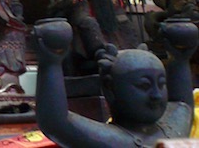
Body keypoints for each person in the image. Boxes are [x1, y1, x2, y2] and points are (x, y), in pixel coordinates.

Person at [34, 17, 197, 147]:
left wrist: (180, 60)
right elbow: (56, 122)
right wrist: (51, 63)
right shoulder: (111, 140)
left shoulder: (173, 128)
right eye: (144, 86)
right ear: (109, 88)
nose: (156, 95)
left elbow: (182, 104)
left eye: (161, 85)